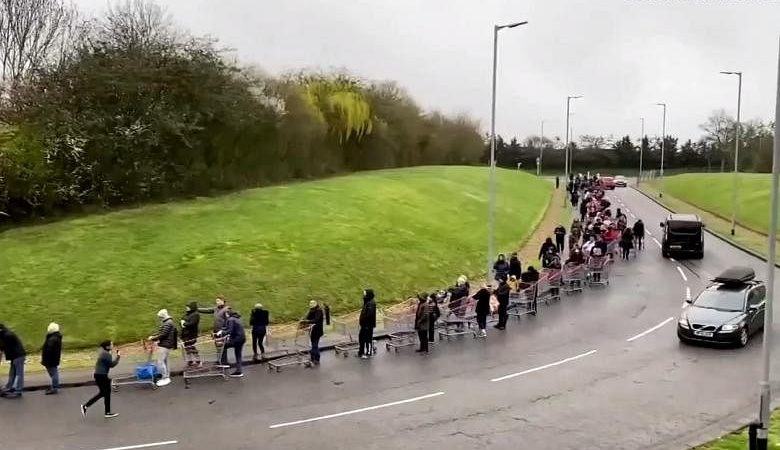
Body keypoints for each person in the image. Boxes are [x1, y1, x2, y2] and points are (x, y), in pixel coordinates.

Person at [81, 341, 121, 419]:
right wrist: (118, 356)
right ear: (107, 347)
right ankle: (106, 412)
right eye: (111, 344)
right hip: (101, 376)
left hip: (100, 375)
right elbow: (112, 365)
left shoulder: (104, 353)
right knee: (105, 393)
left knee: (104, 393)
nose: (113, 345)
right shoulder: (106, 354)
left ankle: (87, 407)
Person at [148, 309, 177, 387]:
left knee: (160, 361)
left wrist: (153, 338)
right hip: (167, 344)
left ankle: (165, 378)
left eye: (160, 317)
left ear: (163, 316)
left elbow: (163, 334)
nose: (160, 318)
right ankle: (167, 376)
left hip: (165, 344)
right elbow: (161, 332)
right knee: (165, 361)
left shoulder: (167, 323)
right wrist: (154, 336)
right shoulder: (168, 322)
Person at [199, 297, 230, 367]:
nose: (217, 302)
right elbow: (207, 310)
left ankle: (224, 361)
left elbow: (229, 321)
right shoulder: (216, 309)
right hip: (216, 331)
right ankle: (219, 360)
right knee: (218, 346)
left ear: (223, 301)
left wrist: (226, 331)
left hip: (222, 331)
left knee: (223, 346)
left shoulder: (226, 309)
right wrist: (196, 309)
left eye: (218, 301)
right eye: (216, 301)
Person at [0, 324, 26, 399]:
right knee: (12, 373)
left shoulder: (7, 335)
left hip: (18, 356)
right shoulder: (5, 334)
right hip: (14, 356)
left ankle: (18, 391)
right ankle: (9, 387)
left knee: (19, 374)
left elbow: (3, 347)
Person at [222, 307, 246, 377]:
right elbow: (230, 328)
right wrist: (223, 330)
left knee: (223, 346)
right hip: (242, 338)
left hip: (237, 339)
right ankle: (239, 371)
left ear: (227, 314)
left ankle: (224, 363)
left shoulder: (230, 319)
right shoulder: (236, 318)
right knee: (238, 354)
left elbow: (229, 331)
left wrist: (221, 332)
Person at [41, 322, 63, 395]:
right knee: (53, 373)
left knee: (53, 373)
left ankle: (54, 388)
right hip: (53, 359)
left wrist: (45, 359)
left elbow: (49, 350)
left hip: (50, 359)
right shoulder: (54, 337)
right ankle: (54, 386)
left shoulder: (52, 339)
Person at [181, 302, 201, 367]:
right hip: (185, 334)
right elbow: (182, 320)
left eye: (188, 307)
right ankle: (190, 361)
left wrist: (184, 324)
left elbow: (192, 324)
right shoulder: (187, 314)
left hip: (191, 334)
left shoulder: (195, 315)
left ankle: (198, 361)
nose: (187, 308)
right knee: (187, 347)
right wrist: (183, 323)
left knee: (191, 347)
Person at [303, 300, 324, 365]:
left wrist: (307, 322)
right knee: (313, 344)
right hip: (312, 330)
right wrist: (304, 320)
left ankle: (316, 359)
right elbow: (308, 317)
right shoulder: (312, 310)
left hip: (318, 330)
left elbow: (316, 320)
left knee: (315, 345)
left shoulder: (319, 311)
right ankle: (313, 358)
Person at [358, 289, 377, 359]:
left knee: (366, 339)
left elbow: (369, 314)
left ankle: (367, 352)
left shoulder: (371, 303)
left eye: (365, 294)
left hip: (367, 325)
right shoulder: (368, 302)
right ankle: (362, 352)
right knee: (362, 338)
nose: (364, 295)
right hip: (365, 325)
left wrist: (363, 319)